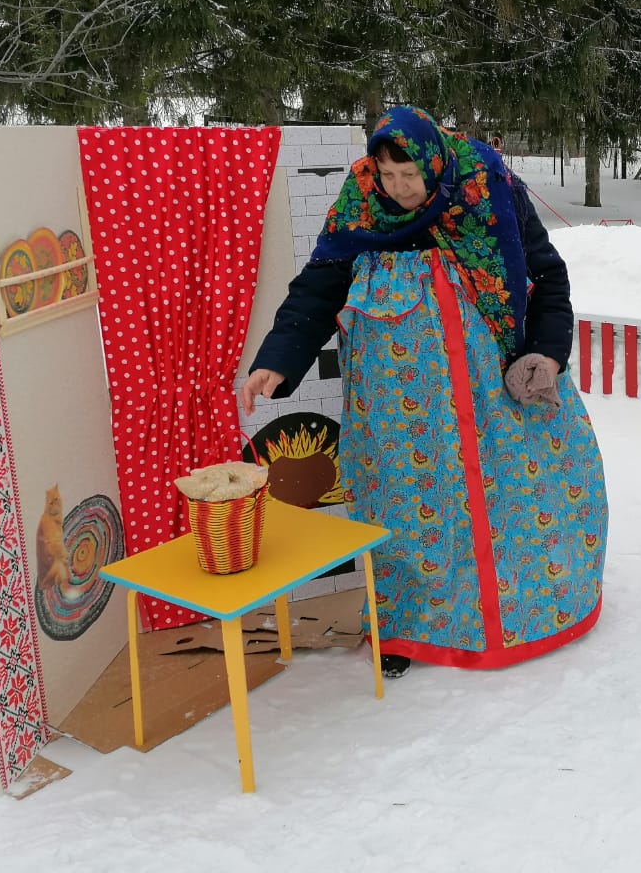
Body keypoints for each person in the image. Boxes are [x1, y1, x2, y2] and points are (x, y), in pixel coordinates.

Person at [239, 106, 608, 677]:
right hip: (402, 415)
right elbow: (317, 290)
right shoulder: (360, 208)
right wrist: (277, 362)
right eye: (387, 175)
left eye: (410, 174)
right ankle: (405, 628)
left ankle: (535, 610)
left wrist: (545, 353)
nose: (399, 188)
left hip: (498, 394)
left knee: (516, 501)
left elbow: (547, 278)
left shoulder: (489, 191)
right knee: (410, 514)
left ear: (435, 161)